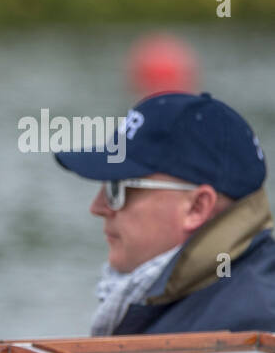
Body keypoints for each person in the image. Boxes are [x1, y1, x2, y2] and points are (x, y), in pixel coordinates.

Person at [55, 91, 275, 335]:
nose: (97, 208)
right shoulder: (189, 302)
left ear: (196, 207)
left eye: (118, 188)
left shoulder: (249, 326)